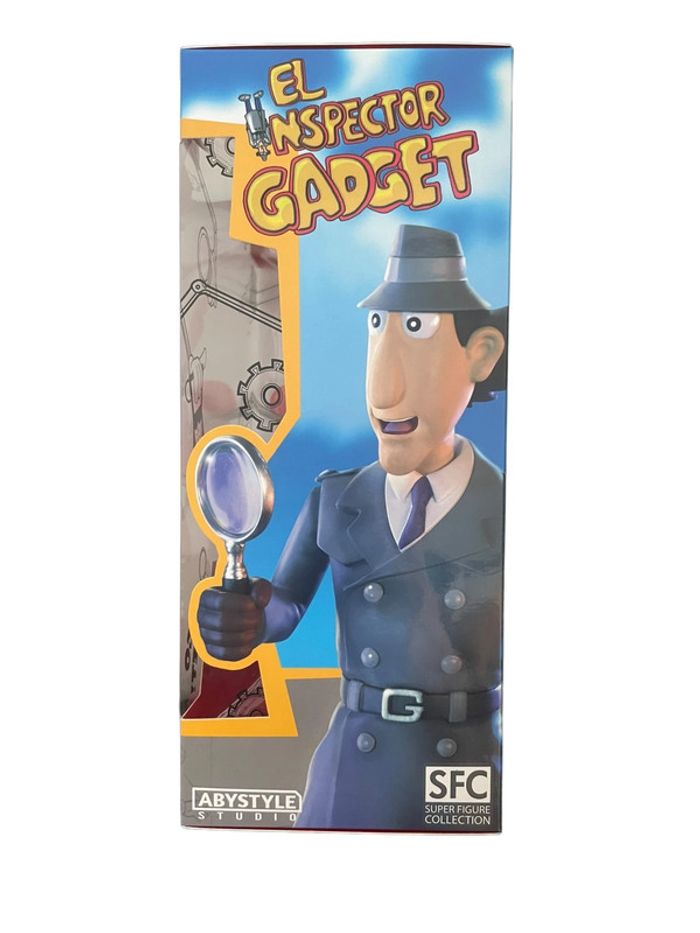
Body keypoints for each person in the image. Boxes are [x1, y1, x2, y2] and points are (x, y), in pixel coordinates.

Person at [196, 224, 507, 830]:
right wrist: (249, 617)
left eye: (415, 327)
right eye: (377, 327)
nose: (384, 389)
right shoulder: (337, 497)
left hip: (464, 766)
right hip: (351, 770)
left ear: (482, 354)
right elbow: (288, 604)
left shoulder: (505, 508)